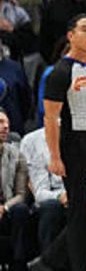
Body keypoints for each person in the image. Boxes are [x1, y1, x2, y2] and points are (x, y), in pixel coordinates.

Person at [43, 15, 86, 271]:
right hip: (74, 145)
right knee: (80, 211)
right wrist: (55, 156)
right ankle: (76, 265)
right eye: (84, 29)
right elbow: (50, 117)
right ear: (71, 36)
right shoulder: (60, 72)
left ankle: (48, 262)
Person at [0, 108, 30, 270]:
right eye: (0, 122)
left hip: (8, 207)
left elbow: (21, 194)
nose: (5, 127)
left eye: (7, 123)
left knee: (21, 209)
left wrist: (4, 207)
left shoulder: (17, 155)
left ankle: (17, 264)